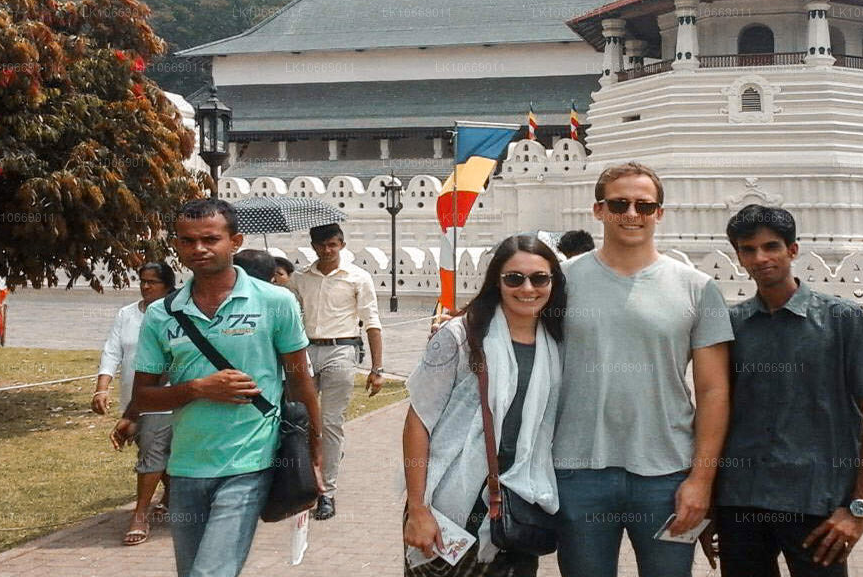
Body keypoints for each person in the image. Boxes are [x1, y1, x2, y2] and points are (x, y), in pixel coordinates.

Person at [554, 162, 733, 577]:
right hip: (576, 470)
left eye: (644, 205)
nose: (632, 214)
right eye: (619, 204)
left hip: (668, 476)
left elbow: (713, 392)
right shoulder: (559, 282)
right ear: (598, 210)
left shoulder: (696, 287)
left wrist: (701, 481)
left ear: (659, 213)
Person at [713, 205, 863, 577]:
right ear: (738, 257)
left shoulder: (842, 320)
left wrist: (859, 508)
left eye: (771, 246)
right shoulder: (732, 325)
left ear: (793, 250)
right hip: (741, 501)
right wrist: (709, 506)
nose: (761, 258)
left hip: (817, 503)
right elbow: (716, 414)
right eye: (749, 250)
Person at [131, 199, 323, 577]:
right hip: (186, 466)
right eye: (187, 241)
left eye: (210, 239)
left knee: (211, 573)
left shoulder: (275, 302)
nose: (198, 249)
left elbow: (301, 382)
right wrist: (198, 389)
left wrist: (315, 456)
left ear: (234, 241)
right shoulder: (162, 314)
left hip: (249, 462)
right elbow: (142, 397)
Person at [403, 234, 566, 576]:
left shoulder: (557, 343)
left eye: (539, 278)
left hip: (520, 503)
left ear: (553, 281)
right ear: (497, 281)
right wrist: (418, 509)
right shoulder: (461, 336)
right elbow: (419, 419)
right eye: (514, 278)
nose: (527, 288)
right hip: (449, 505)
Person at [290, 223, 385, 520]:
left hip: (341, 350)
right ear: (313, 246)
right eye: (321, 245)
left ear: (342, 245)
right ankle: (303, 481)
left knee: (330, 423)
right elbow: (288, 317)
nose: (327, 250)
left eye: (333, 245)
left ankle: (326, 492)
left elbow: (372, 322)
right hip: (304, 351)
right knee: (299, 419)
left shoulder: (358, 277)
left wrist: (377, 368)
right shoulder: (300, 278)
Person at [93, 262, 176, 546]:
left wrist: (138, 407)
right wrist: (101, 389)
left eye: (153, 282)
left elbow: (167, 363)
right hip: (133, 396)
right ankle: (172, 496)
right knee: (152, 451)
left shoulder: (175, 313)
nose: (145, 286)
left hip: (163, 398)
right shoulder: (126, 314)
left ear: (167, 285)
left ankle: (139, 515)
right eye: (142, 281)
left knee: (152, 454)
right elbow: (112, 350)